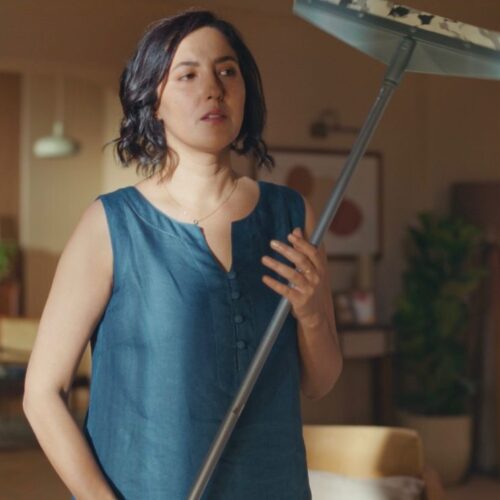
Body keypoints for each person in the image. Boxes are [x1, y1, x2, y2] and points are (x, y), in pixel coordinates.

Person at [22, 8, 343, 499]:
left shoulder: (292, 214)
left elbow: (319, 383)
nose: (213, 89)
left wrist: (314, 314)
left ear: (246, 92)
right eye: (188, 75)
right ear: (154, 100)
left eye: (227, 71)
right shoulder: (111, 224)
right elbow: (42, 394)